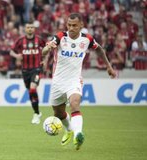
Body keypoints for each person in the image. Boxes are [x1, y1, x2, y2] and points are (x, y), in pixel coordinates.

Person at [42, 13, 116, 150]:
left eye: (74, 25)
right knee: (58, 113)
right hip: (58, 81)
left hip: (74, 80)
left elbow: (99, 50)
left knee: (75, 104)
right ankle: (69, 129)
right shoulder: (60, 37)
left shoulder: (87, 39)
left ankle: (78, 135)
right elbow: (44, 51)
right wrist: (48, 48)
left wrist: (109, 66)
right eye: (69, 25)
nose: (71, 28)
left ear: (81, 25)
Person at [10, 21, 46, 124]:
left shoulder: (39, 39)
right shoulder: (20, 40)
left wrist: (44, 59)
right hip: (25, 70)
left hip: (37, 68)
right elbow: (11, 51)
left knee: (32, 89)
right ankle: (37, 112)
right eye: (28, 27)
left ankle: (36, 114)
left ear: (34, 29)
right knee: (30, 92)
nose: (30, 29)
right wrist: (16, 56)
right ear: (25, 29)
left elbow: (46, 49)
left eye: (32, 27)